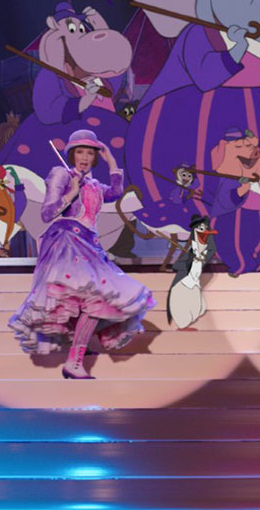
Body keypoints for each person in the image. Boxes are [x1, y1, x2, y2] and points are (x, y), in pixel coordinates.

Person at [9, 129, 156, 379]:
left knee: (91, 300)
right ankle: (74, 361)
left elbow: (116, 192)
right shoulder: (62, 174)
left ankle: (79, 351)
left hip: (89, 244)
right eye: (80, 152)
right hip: (67, 242)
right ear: (72, 154)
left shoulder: (94, 185)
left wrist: (112, 163)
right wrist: (71, 192)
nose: (85, 157)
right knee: (93, 298)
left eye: (90, 152)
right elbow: (46, 214)